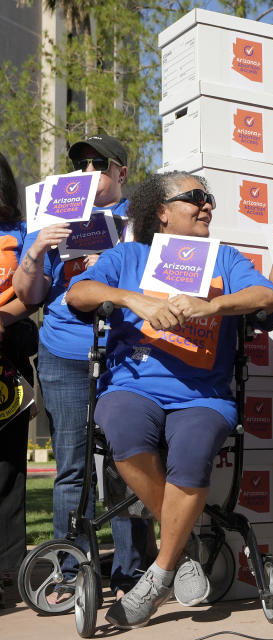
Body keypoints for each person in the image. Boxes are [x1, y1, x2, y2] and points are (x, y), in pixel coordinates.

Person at [65, 171, 273, 628]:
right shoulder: (128, 255)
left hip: (202, 394)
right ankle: (180, 549)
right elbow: (79, 293)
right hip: (132, 386)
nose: (206, 205)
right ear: (160, 212)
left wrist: (212, 306)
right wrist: (134, 301)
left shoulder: (223, 257)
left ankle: (158, 574)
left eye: (210, 198)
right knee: (122, 426)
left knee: (194, 446)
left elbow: (266, 295)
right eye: (195, 198)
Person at [13, 134, 152, 603]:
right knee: (72, 467)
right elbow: (30, 296)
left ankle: (131, 570)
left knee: (124, 463)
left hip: (125, 355)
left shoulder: (140, 221)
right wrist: (35, 253)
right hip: (64, 354)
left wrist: (110, 267)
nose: (88, 172)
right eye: (80, 165)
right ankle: (70, 568)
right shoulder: (50, 219)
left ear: (121, 173)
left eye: (99, 164)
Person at [0, 152, 38, 608]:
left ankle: (10, 571)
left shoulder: (22, 234)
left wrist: (3, 320)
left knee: (8, 470)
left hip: (8, 358)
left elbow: (33, 295)